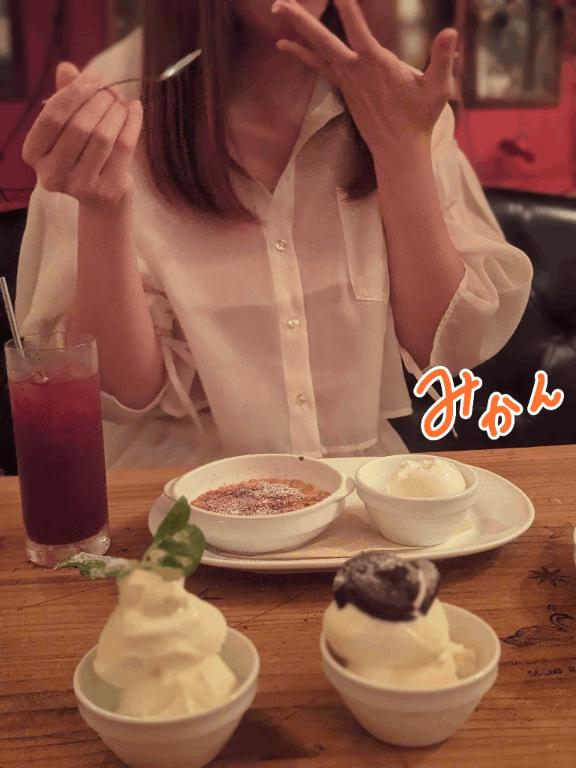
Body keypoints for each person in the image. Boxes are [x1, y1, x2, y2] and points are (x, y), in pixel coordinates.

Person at [17, 0, 532, 469]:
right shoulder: (111, 106)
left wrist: (403, 151)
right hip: (179, 494)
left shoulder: (391, 91)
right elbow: (125, 393)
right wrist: (103, 208)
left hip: (354, 488)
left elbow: (442, 347)